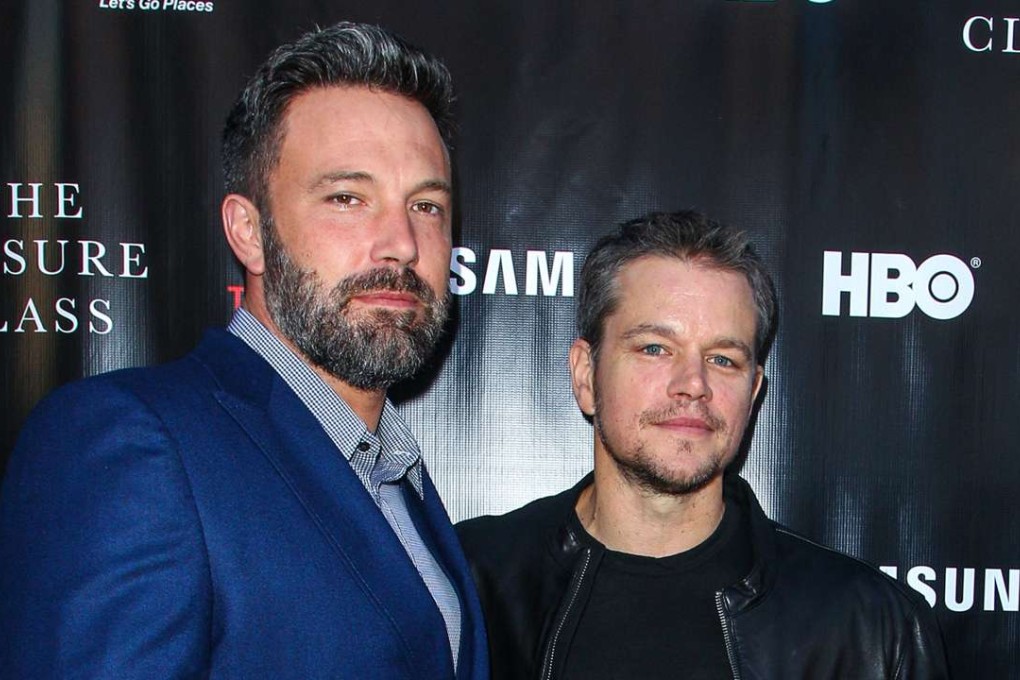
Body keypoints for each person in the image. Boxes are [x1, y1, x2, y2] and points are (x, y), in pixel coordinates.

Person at [0, 22, 487, 679]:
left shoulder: (399, 476)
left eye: (426, 206)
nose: (400, 243)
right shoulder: (136, 444)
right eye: (348, 198)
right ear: (249, 233)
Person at [457, 211, 948, 679]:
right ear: (586, 375)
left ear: (753, 394)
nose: (692, 384)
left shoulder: (870, 629)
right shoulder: (469, 583)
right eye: (655, 348)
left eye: (723, 359)